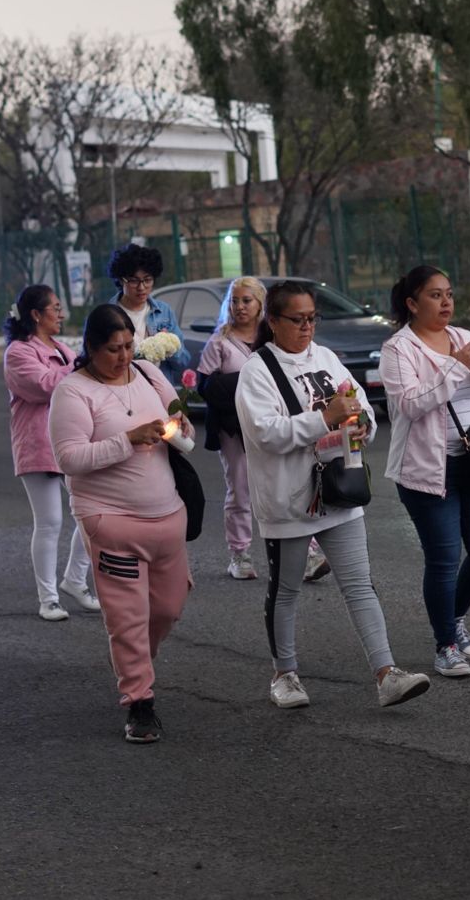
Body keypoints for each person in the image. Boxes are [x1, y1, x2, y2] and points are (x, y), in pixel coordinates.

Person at [235, 280, 430, 710]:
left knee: (360, 585)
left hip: (338, 490)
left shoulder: (324, 357)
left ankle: (386, 673)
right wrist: (324, 418)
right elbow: (266, 434)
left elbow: (357, 402)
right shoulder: (257, 371)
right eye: (297, 320)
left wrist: (361, 424)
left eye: (312, 318)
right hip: (290, 497)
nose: (307, 328)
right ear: (273, 321)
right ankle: (284, 674)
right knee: (286, 591)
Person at [49, 304, 193, 744]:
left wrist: (177, 429)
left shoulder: (150, 374)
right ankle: (139, 702)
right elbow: (68, 458)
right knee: (128, 617)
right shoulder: (73, 392)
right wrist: (127, 440)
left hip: (167, 515)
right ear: (91, 348)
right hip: (110, 520)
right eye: (113, 349)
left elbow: (185, 432)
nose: (124, 356)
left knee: (168, 608)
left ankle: (134, 663)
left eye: (129, 345)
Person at [381, 265, 470, 678]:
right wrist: (457, 367)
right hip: (426, 469)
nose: (446, 303)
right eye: (435, 295)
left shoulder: (463, 337)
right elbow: (410, 404)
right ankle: (446, 646)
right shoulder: (397, 350)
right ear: (412, 303)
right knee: (443, 558)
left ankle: (454, 614)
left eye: (449, 294)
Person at [196, 278, 332, 582]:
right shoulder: (220, 341)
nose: (240, 307)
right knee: (240, 490)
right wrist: (240, 388)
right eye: (234, 301)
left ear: (262, 305)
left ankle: (308, 553)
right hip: (233, 429)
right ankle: (240, 553)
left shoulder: (272, 339)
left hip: (278, 422)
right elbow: (205, 387)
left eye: (247, 300)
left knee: (291, 482)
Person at [3, 285, 97, 621]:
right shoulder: (18, 353)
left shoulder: (61, 348)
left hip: (70, 441)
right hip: (38, 444)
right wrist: (78, 367)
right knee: (50, 523)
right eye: (55, 308)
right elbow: (44, 386)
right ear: (36, 315)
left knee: (90, 514)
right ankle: (49, 599)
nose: (61, 314)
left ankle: (75, 580)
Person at [107, 242, 192, 381]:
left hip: (158, 389)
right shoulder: (106, 314)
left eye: (147, 280)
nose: (142, 287)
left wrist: (168, 347)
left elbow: (183, 362)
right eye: (134, 281)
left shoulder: (163, 312)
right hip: (122, 388)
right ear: (121, 280)